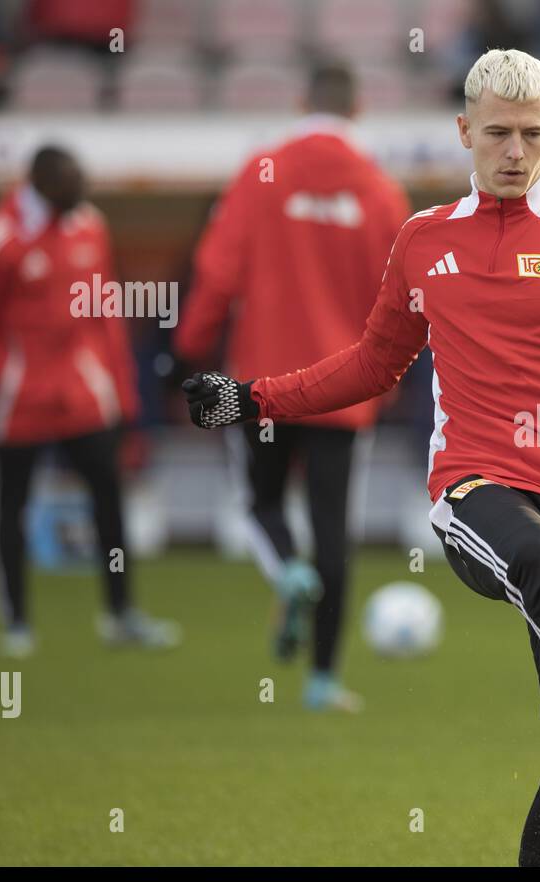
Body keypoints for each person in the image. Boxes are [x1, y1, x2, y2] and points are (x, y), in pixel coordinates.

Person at [182, 48, 540, 867]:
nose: (515, 151)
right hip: (475, 483)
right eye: (498, 134)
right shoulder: (422, 240)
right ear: (464, 131)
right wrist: (253, 397)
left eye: (533, 136)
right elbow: (372, 363)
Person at [175, 64, 410, 713]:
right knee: (334, 527)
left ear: (303, 100)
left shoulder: (262, 172)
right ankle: (323, 681)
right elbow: (402, 301)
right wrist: (384, 385)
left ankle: (287, 571)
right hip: (344, 388)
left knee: (260, 503)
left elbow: (217, 271)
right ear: (358, 108)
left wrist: (189, 351)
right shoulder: (381, 190)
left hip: (263, 384)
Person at [0, 145, 177, 658]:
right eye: (70, 186)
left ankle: (121, 614)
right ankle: (16, 622)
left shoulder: (88, 225)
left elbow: (107, 316)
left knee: (109, 499)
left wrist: (124, 396)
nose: (80, 196)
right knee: (11, 507)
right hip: (18, 399)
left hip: (84, 395)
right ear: (43, 185)